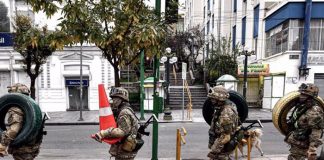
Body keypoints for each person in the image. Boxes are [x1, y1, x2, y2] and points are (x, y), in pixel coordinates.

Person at [92, 87, 141, 160]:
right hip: (126, 149)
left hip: (125, 151)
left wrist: (103, 133)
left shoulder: (124, 112)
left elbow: (122, 131)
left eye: (115, 99)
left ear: (121, 99)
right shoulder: (125, 109)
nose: (112, 101)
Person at [0, 83, 43, 160]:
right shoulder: (32, 106)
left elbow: (14, 128)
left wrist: (3, 145)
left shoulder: (16, 109)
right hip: (32, 145)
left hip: (22, 148)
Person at [285, 83, 324, 160]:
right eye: (301, 94)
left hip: (303, 145)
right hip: (297, 143)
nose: (301, 96)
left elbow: (316, 131)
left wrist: (312, 150)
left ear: (310, 97)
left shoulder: (314, 110)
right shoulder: (302, 107)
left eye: (304, 95)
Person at [207, 85, 239, 160]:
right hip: (221, 145)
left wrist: (214, 150)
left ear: (219, 99)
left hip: (223, 148)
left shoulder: (226, 112)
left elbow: (226, 137)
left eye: (213, 99)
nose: (211, 100)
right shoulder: (220, 108)